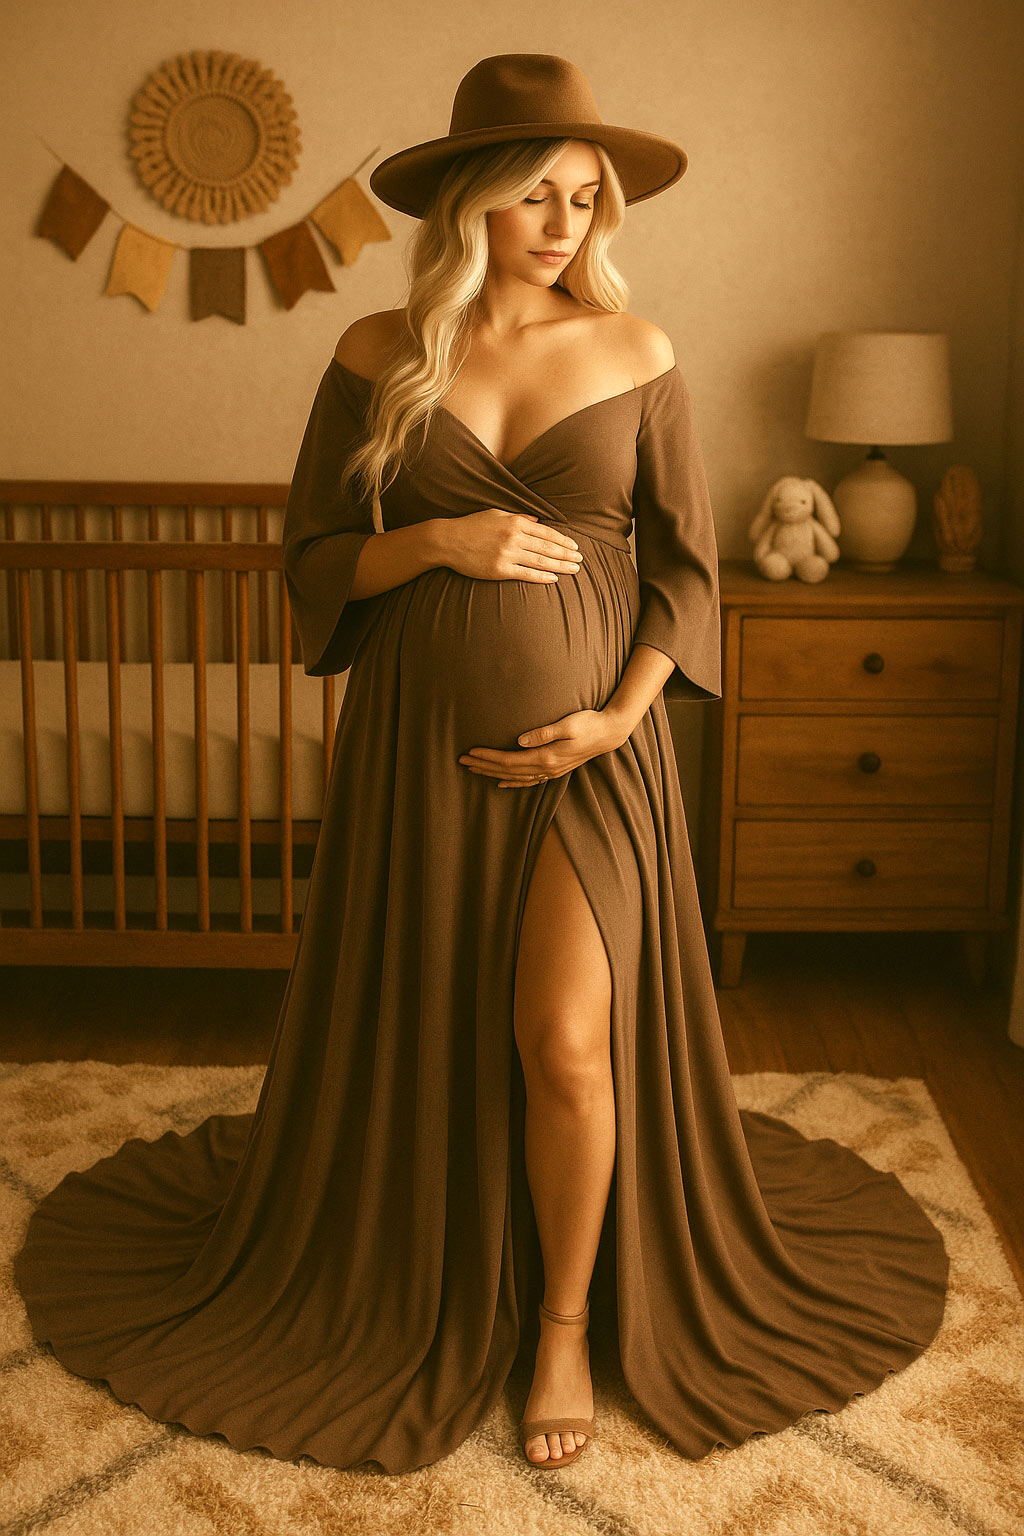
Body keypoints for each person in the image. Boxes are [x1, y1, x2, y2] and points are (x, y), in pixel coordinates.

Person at [14, 53, 949, 1478]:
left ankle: (563, 1322)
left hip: (593, 760)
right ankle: (425, 1256)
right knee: (444, 1024)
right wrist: (437, 541)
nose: (566, 223)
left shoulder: (637, 353)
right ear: (469, 203)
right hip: (415, 754)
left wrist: (621, 718)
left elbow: (687, 574)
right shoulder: (374, 355)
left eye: (585, 197)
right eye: (536, 195)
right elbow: (314, 558)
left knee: (567, 1042)